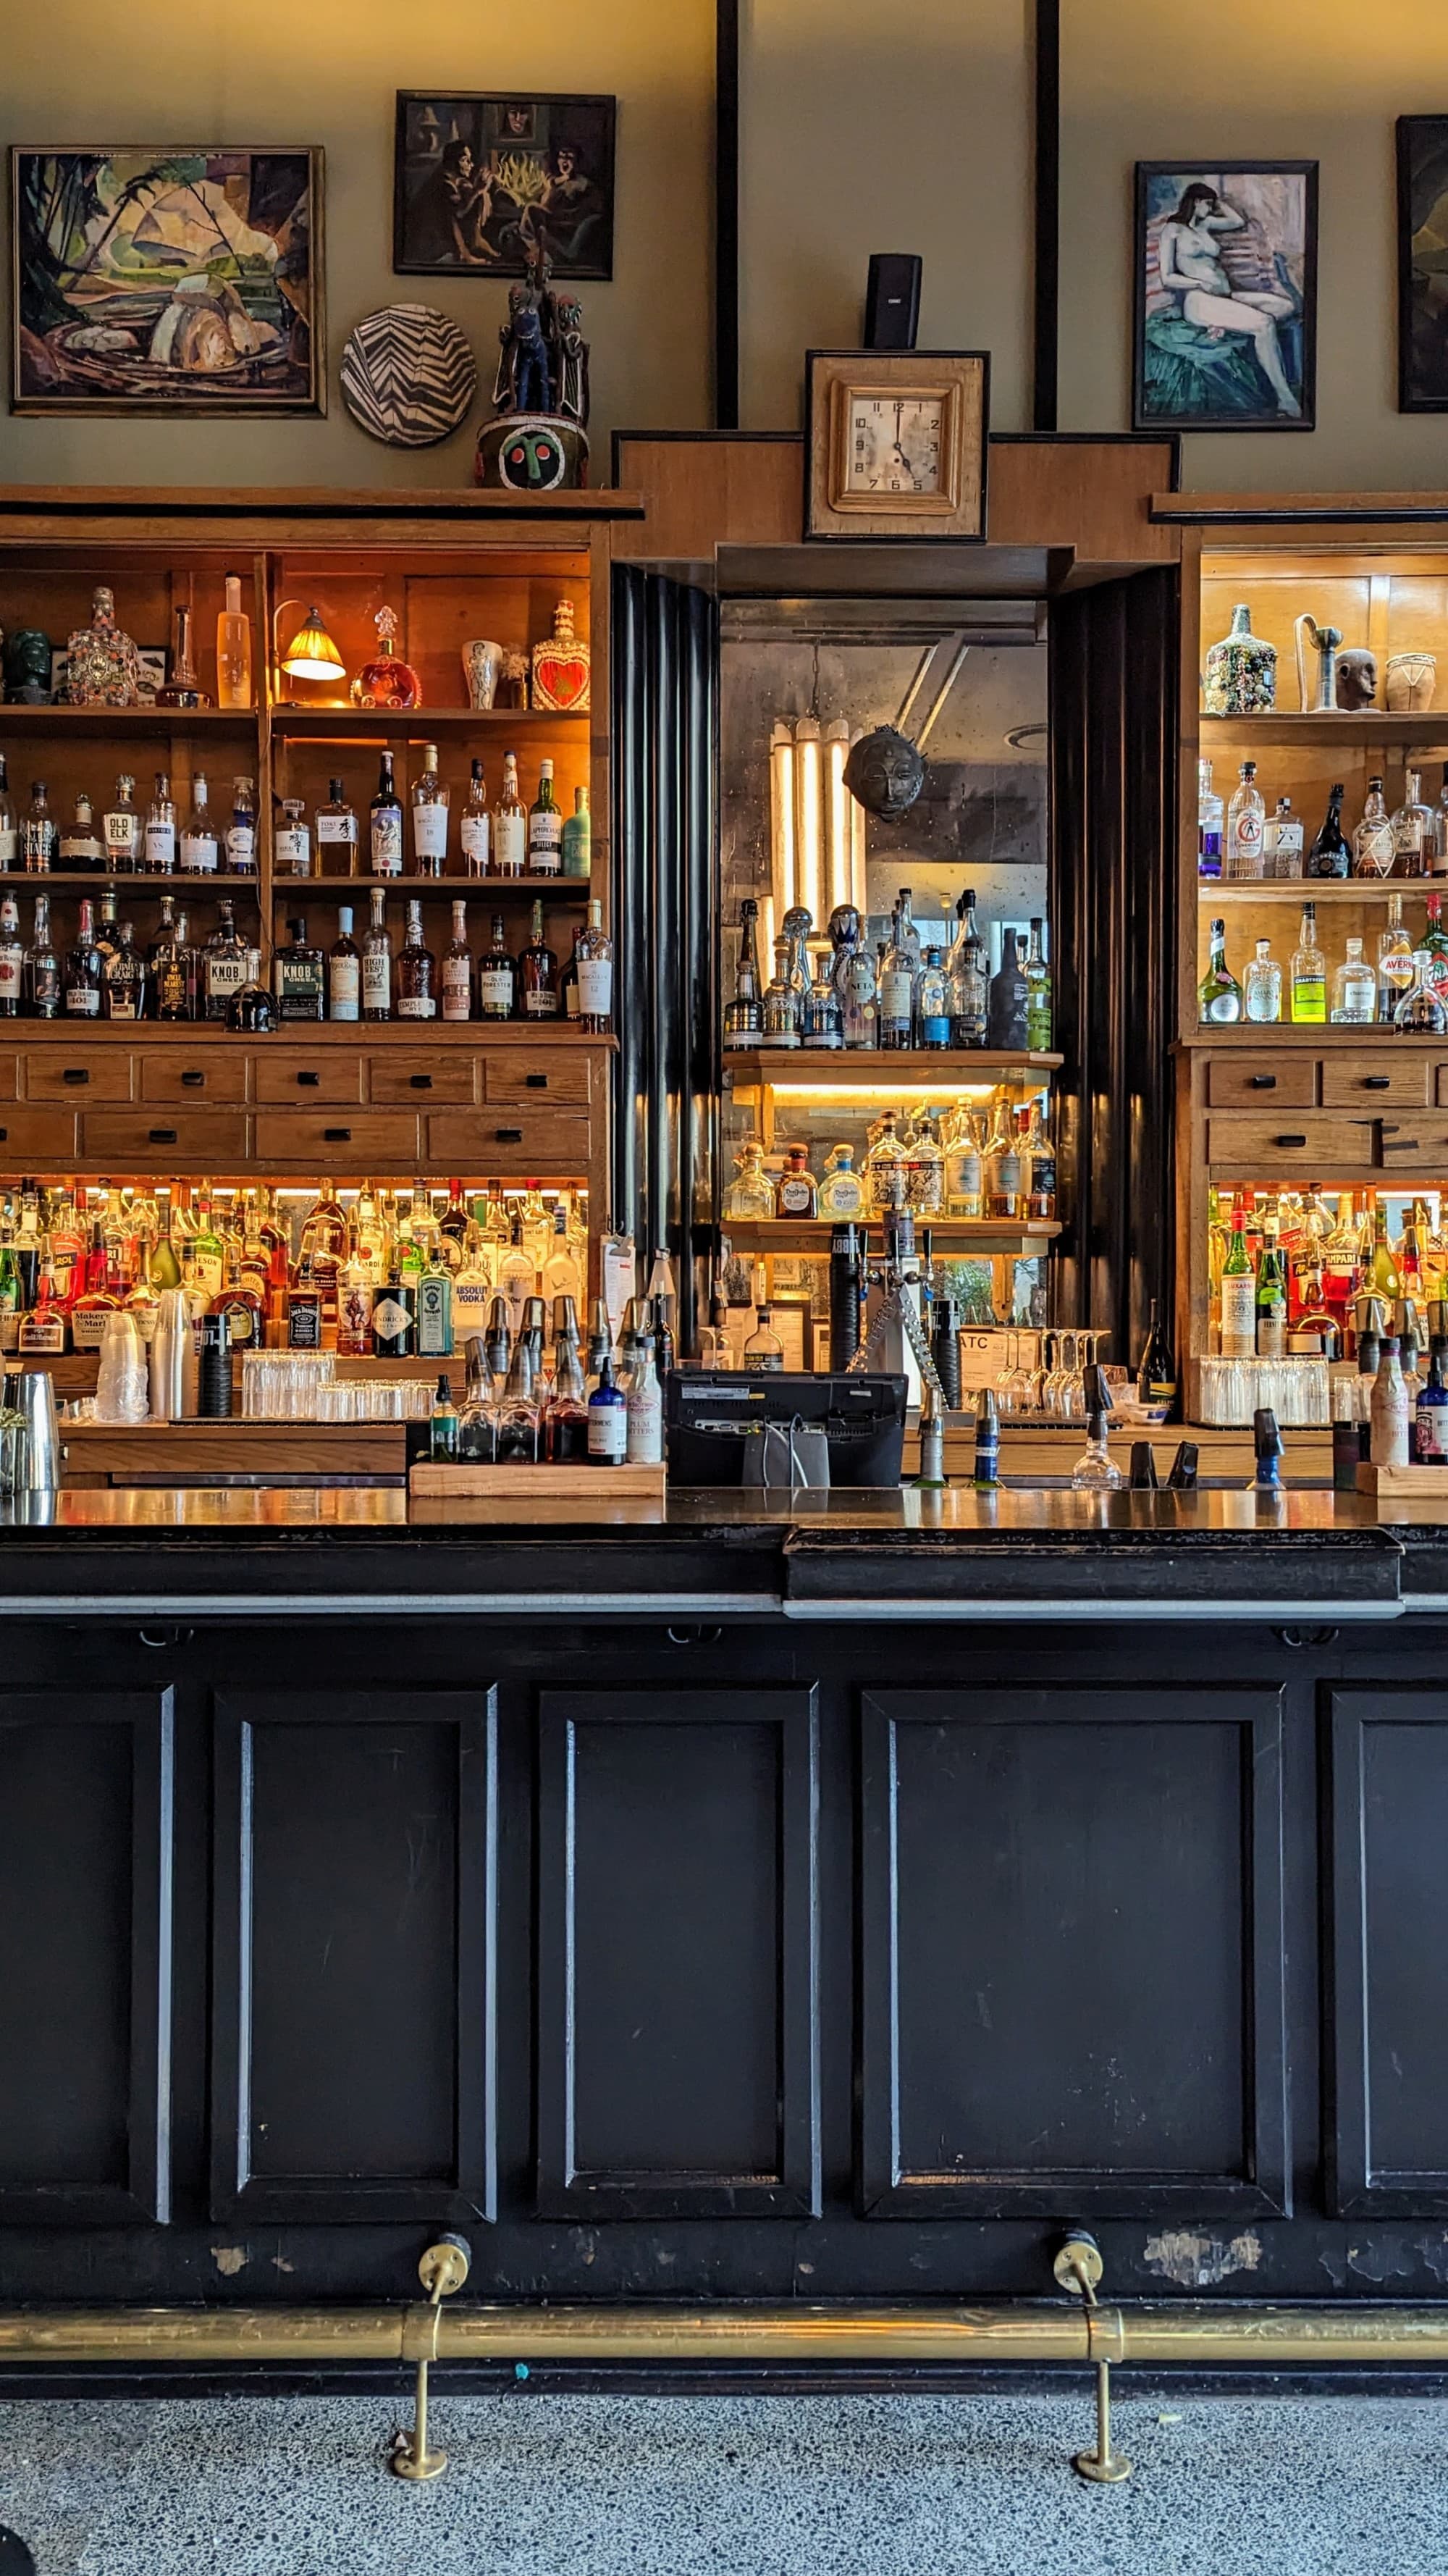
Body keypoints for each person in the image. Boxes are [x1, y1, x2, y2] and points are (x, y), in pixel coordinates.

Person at [1154, 182, 1300, 416]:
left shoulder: (1206, 225)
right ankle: (1285, 398)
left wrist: (1218, 201)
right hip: (1199, 300)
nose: (1212, 209)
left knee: (1285, 306)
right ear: (1195, 201)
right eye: (1208, 203)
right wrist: (1198, 283)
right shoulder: (1173, 230)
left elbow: (1237, 221)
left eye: (1213, 204)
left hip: (1224, 296)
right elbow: (1167, 277)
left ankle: (1225, 323)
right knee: (1265, 324)